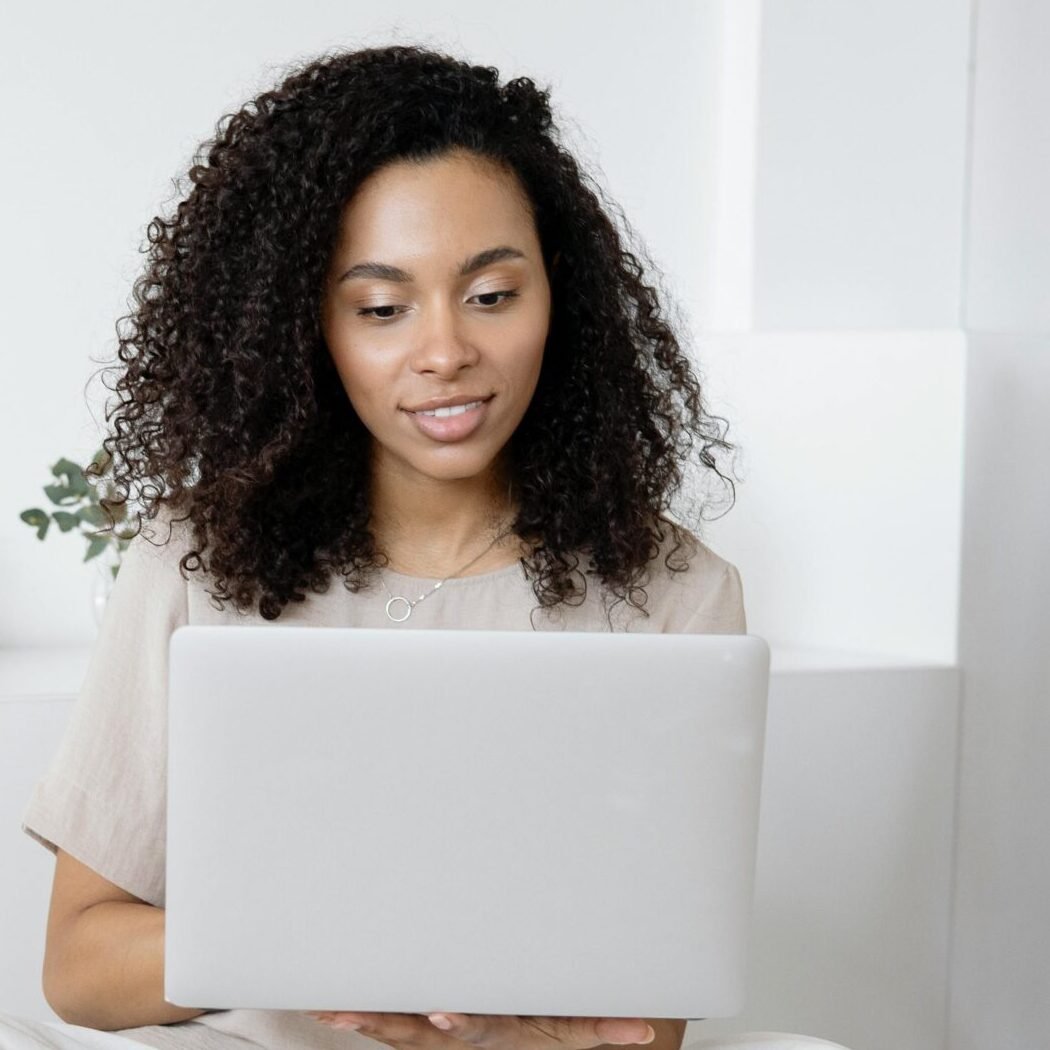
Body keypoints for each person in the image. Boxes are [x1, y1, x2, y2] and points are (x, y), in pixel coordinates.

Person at [8, 42, 751, 1050]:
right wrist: (308, 941)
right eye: (381, 309)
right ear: (307, 324)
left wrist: (506, 1038)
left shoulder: (673, 593)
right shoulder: (194, 559)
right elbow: (79, 967)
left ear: (557, 291)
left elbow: (651, 1013)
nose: (444, 351)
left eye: (491, 295)